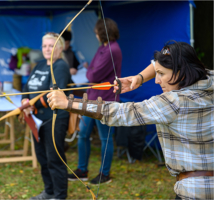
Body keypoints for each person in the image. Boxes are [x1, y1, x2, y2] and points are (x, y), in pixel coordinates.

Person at [47, 41, 213, 199]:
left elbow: (122, 112)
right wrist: (139, 78)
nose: (156, 80)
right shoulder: (209, 81)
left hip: (194, 192)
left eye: (161, 74)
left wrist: (68, 103)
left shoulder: (173, 102)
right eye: (157, 73)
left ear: (181, 72)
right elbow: (162, 63)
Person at [66, 18, 122, 184]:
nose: (96, 34)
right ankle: (82, 170)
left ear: (103, 32)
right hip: (92, 98)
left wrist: (90, 70)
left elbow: (93, 75)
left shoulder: (113, 49)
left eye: (97, 32)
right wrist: (91, 70)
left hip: (105, 100)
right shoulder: (103, 48)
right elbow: (92, 70)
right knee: (83, 134)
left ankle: (104, 174)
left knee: (105, 138)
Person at [21, 32, 71, 199]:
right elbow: (27, 87)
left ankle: (59, 195)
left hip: (54, 118)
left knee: (54, 158)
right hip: (37, 119)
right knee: (42, 157)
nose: (47, 49)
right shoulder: (39, 65)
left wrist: (31, 104)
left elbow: (54, 94)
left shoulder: (61, 66)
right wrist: (24, 101)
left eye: (51, 45)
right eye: (45, 46)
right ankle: (49, 191)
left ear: (60, 47)